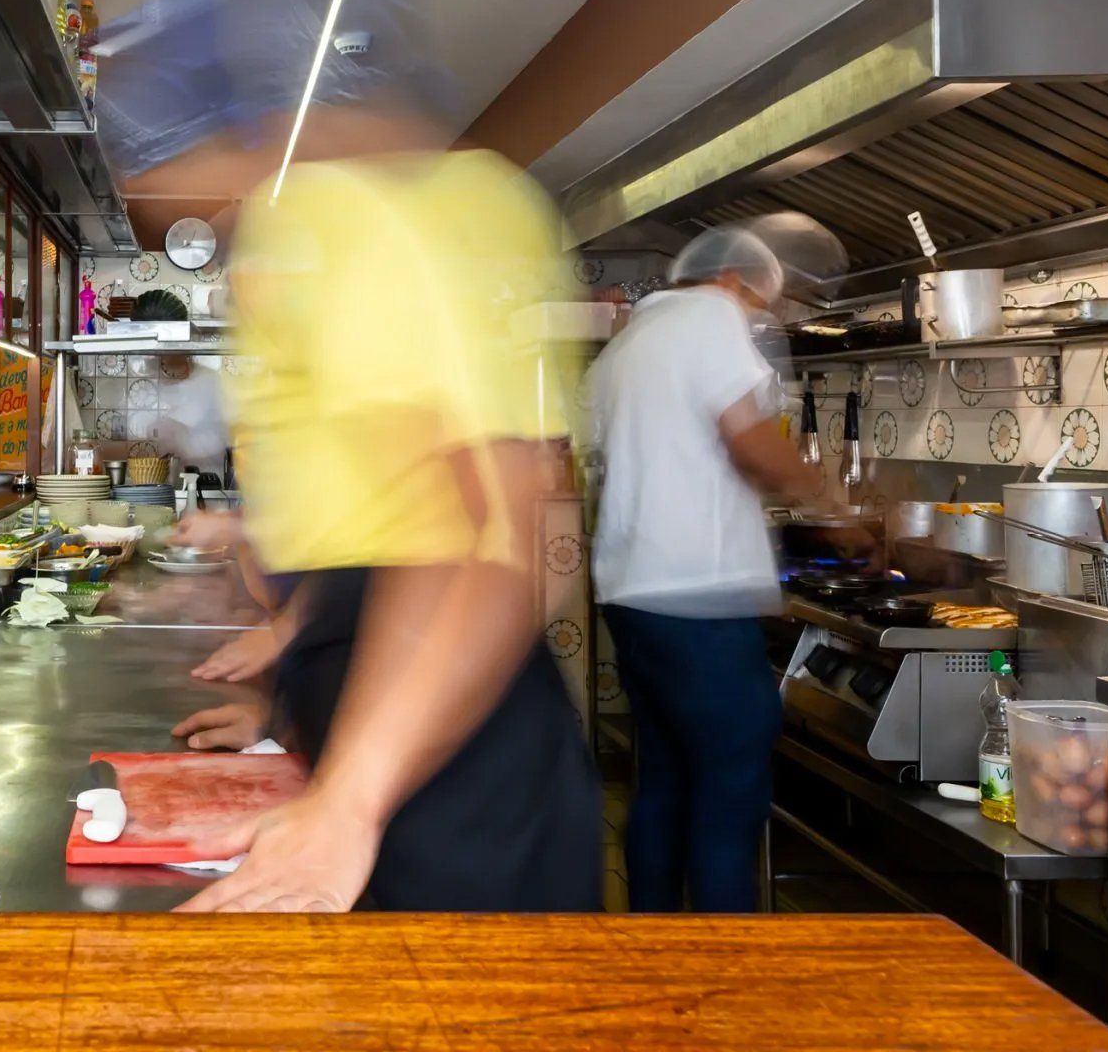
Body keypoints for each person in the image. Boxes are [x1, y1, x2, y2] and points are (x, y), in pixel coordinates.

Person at [175, 126, 602, 914]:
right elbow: (362, 538)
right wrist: (287, 720)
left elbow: (487, 547)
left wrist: (348, 801)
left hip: (464, 790)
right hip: (385, 771)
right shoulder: (301, 237)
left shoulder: (356, 224)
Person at [585, 223, 826, 912]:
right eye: (761, 305)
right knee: (729, 792)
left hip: (633, 595)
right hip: (698, 598)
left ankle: (655, 941)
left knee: (664, 782)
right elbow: (750, 442)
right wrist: (834, 507)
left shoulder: (629, 341)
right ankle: (731, 961)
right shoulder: (712, 315)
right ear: (732, 280)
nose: (759, 320)